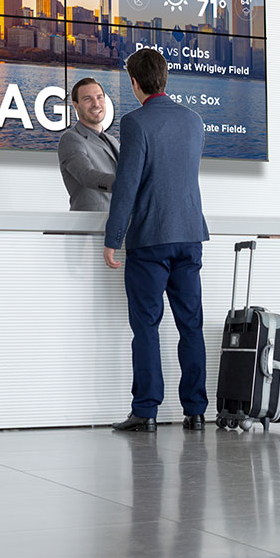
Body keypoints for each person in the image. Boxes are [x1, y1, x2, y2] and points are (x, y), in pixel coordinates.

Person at [103, 48, 209, 431]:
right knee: (190, 325)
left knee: (146, 327)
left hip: (150, 238)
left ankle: (146, 411)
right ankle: (195, 410)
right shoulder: (194, 121)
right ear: (166, 78)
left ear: (134, 83)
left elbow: (127, 186)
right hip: (190, 235)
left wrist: (113, 237)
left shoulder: (136, 123)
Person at [57, 78, 119, 210]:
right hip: (91, 225)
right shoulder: (71, 139)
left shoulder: (113, 141)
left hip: (122, 224)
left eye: (99, 97)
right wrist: (126, 184)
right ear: (76, 105)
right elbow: (86, 176)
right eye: (87, 99)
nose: (96, 104)